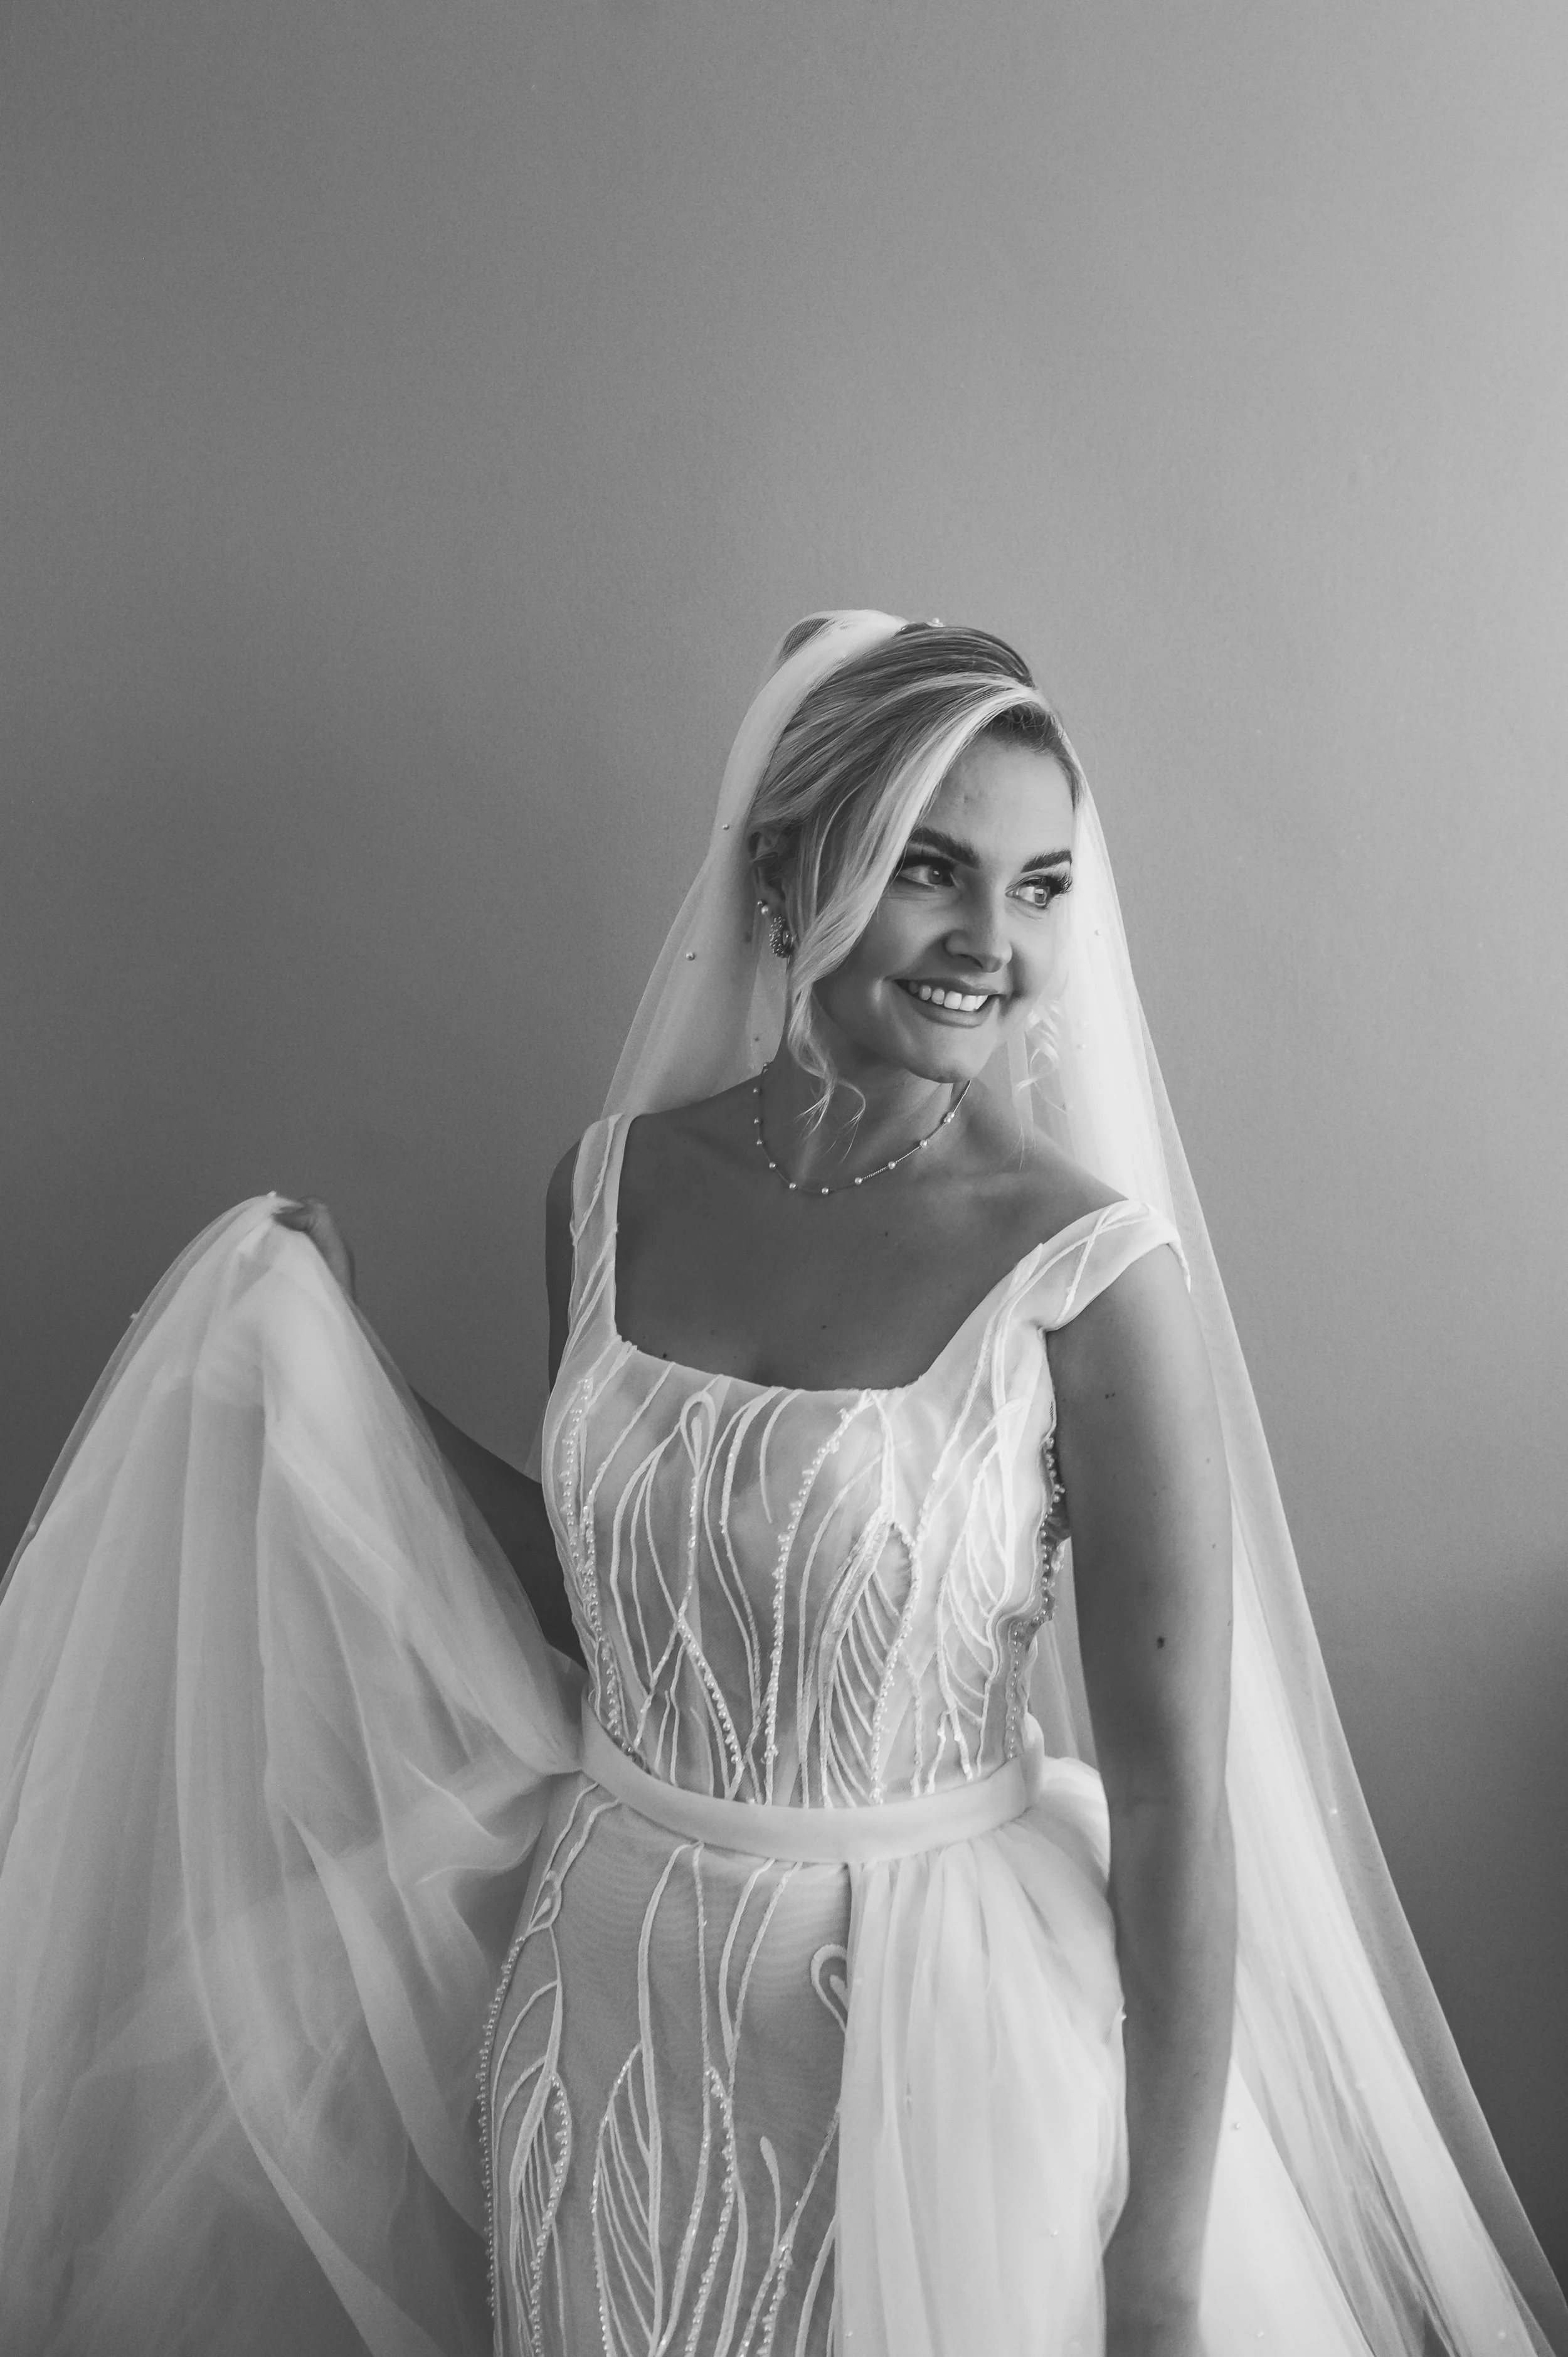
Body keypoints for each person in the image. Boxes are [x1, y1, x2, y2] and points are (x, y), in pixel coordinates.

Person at [0, 612, 1560, 2357]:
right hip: (603, 2002)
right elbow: (619, 1596)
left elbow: (1180, 1807)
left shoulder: (1092, 1280)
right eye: (929, 869)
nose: (992, 941)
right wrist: (335, 1376)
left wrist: (1163, 2267)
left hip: (925, 2042)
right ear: (785, 871)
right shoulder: (607, 1190)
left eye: (1040, 884)